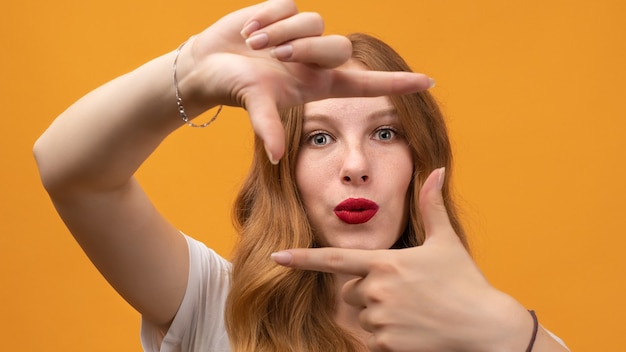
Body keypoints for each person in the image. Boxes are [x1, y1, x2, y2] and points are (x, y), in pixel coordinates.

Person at [33, 0, 570, 351]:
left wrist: (504, 333)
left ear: (420, 161)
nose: (355, 166)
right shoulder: (211, 307)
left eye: (385, 134)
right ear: (283, 165)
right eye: (319, 138)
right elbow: (72, 172)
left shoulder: (497, 337)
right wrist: (190, 73)